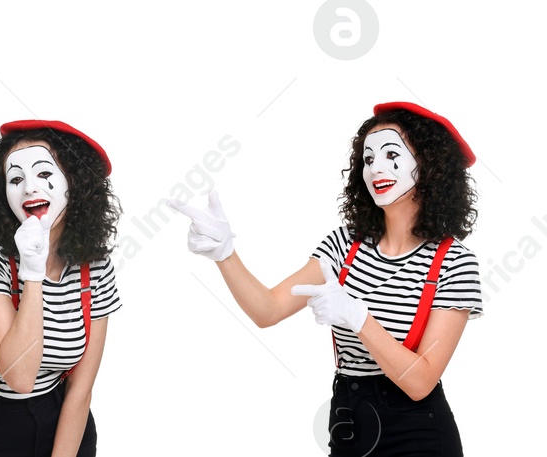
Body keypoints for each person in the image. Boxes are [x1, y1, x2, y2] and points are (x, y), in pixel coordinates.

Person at [170, 102, 481, 456]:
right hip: (350, 422)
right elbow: (267, 310)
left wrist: (359, 318)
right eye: (367, 159)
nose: (375, 168)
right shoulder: (343, 245)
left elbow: (420, 382)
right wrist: (225, 255)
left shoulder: (454, 263)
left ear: (430, 166)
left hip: (419, 432)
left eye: (391, 154)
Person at [0, 120, 123, 457]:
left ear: (76, 184)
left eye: (44, 174)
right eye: (16, 179)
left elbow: (80, 387)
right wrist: (32, 274)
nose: (30, 188)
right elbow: (20, 376)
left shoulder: (95, 266)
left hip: (65, 418)